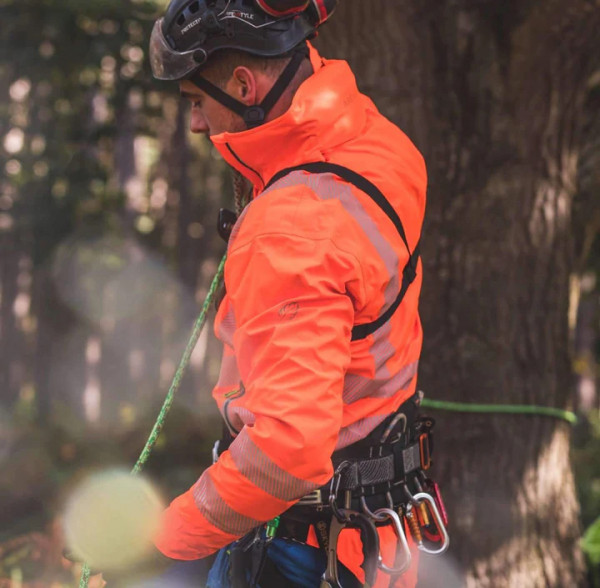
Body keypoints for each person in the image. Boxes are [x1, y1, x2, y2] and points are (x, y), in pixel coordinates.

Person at [146, 1, 447, 586]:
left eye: (197, 101)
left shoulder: (290, 226)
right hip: (383, 533)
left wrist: (169, 540)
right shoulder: (378, 144)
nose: (198, 125)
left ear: (243, 83)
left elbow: (287, 451)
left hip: (308, 551)